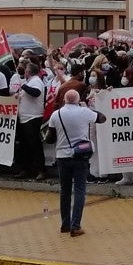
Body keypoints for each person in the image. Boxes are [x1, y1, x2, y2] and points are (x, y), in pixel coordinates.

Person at [47, 89, 105, 237]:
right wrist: (87, 107)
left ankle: (65, 224)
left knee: (64, 191)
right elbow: (102, 118)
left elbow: (49, 138)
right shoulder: (84, 112)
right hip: (80, 156)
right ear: (77, 100)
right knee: (79, 190)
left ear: (65, 100)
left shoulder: (56, 114)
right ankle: (75, 225)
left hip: (62, 157)